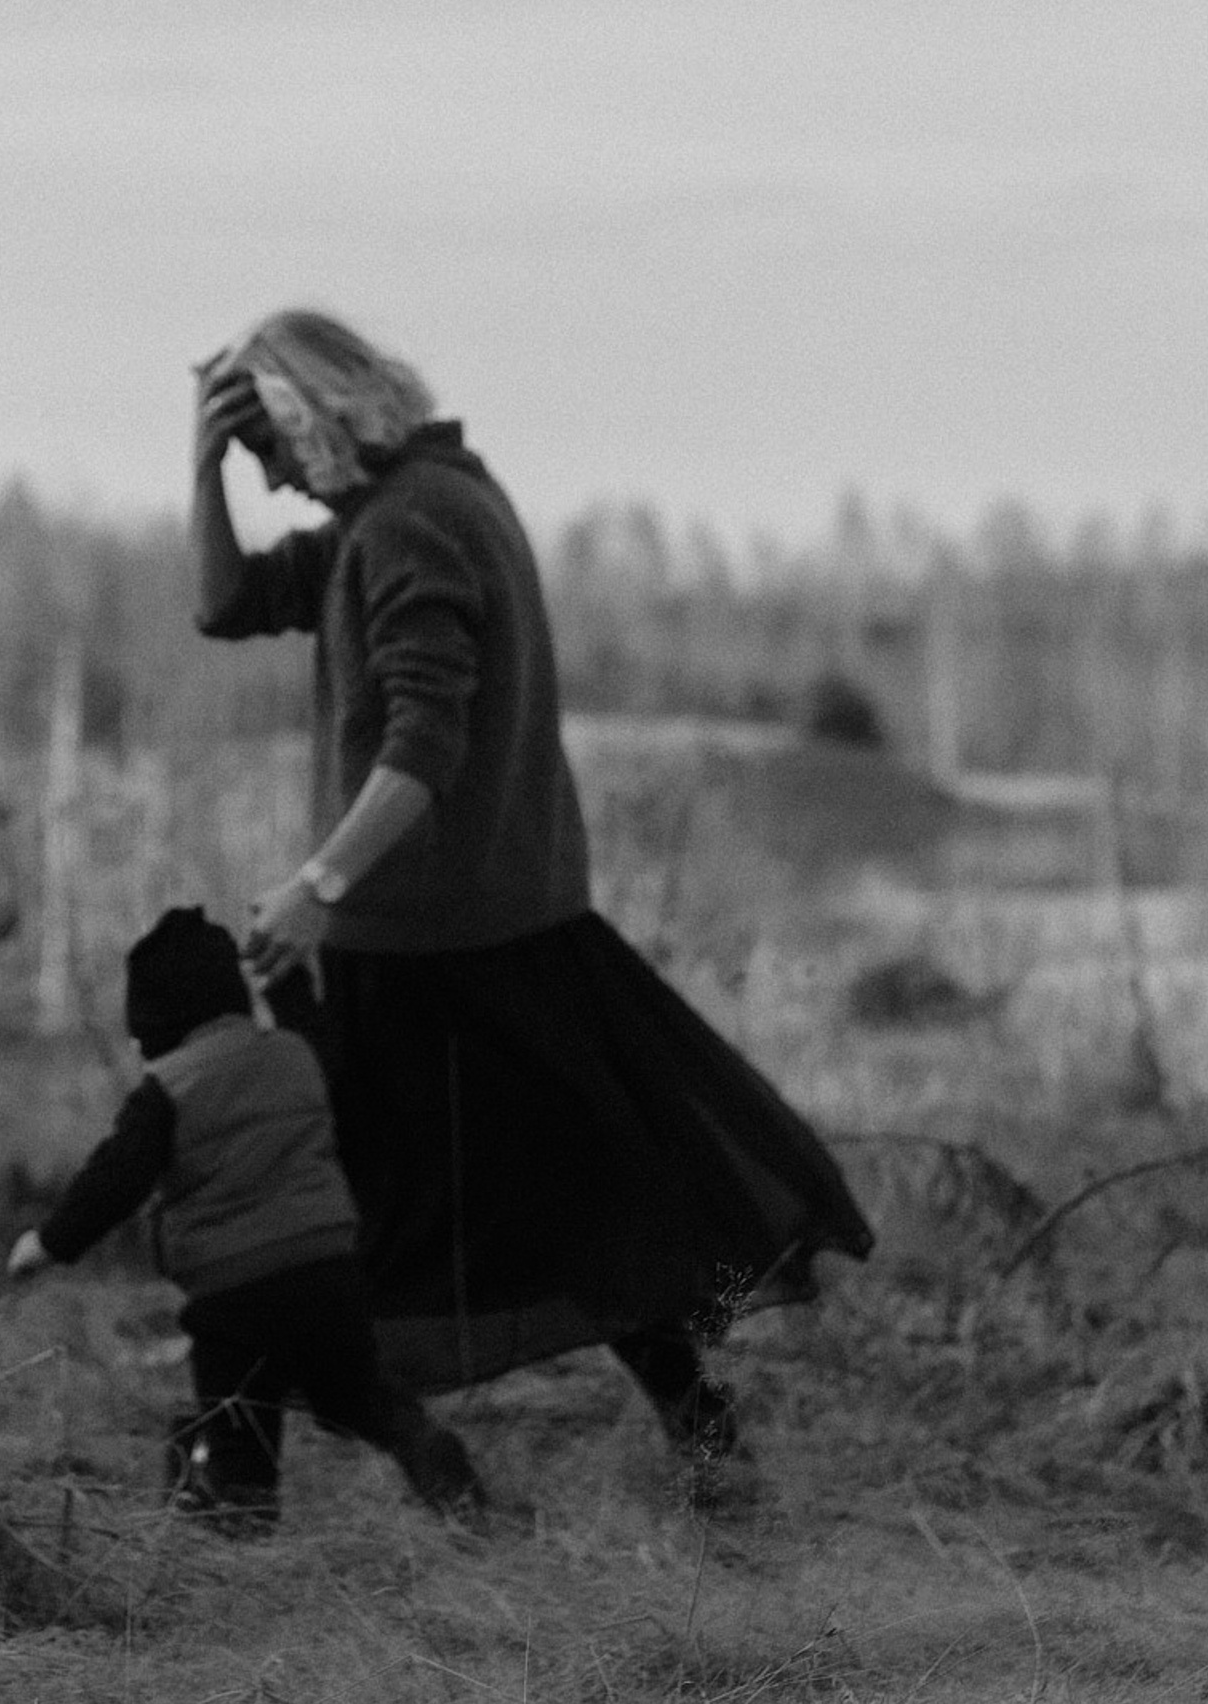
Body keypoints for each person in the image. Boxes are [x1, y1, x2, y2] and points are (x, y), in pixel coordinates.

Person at [190, 309, 873, 1485]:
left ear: (320, 419)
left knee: (306, 1217)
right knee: (587, 1209)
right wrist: (200, 459)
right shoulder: (416, 501)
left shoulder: (408, 526)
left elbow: (421, 743)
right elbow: (224, 603)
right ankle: (700, 1450)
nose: (278, 483)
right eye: (253, 465)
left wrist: (317, 883)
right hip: (498, 933)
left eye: (273, 453)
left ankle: (279, 1474)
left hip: (421, 948)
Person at [8, 906, 487, 1530]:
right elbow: (322, 1037)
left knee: (239, 1423)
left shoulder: (167, 1090)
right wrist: (284, 979)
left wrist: (48, 1244)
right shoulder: (295, 1053)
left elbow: (113, 1180)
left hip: (236, 1292)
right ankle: (424, 1448)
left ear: (157, 1020)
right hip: (329, 1271)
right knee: (357, 1393)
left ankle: (241, 1524)